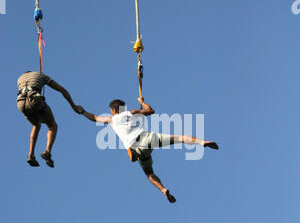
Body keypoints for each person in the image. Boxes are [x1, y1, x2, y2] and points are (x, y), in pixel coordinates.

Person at [80, 97, 219, 203]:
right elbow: (150, 111)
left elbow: (95, 118)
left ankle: (163, 189)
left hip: (138, 150)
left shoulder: (111, 119)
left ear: (113, 110)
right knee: (180, 138)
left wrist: (83, 111)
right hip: (148, 138)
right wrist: (142, 101)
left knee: (150, 174)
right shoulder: (130, 113)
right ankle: (202, 142)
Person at [17, 71, 83, 167]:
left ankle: (30, 155)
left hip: (21, 103)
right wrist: (73, 106)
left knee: (36, 125)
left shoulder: (20, 78)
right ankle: (47, 151)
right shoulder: (42, 76)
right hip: (35, 100)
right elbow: (62, 90)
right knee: (52, 125)